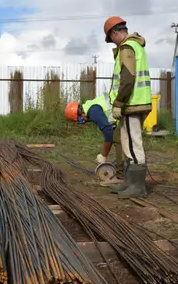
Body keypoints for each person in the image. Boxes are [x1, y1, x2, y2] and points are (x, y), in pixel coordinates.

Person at [103, 15, 153, 198]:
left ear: (115, 33)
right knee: (127, 143)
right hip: (133, 104)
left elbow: (128, 77)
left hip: (133, 104)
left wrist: (119, 103)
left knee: (133, 144)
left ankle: (138, 187)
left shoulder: (127, 47)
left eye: (111, 39)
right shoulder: (134, 46)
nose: (112, 43)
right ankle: (130, 182)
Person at [64, 95, 118, 170]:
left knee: (121, 141)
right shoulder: (91, 106)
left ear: (81, 113)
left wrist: (103, 155)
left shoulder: (93, 112)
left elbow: (109, 133)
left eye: (80, 120)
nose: (83, 123)